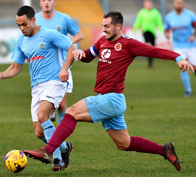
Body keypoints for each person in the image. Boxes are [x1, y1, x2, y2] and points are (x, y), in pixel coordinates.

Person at [24, 11, 195, 172]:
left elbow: (154, 51)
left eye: (106, 26)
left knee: (72, 112)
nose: (103, 29)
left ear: (118, 27)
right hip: (109, 100)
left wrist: (178, 58)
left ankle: (48, 151)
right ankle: (164, 150)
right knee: (124, 144)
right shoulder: (102, 42)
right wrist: (79, 54)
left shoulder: (129, 44)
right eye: (102, 26)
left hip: (113, 99)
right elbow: (88, 56)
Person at [0, 5, 76, 171]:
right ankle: (65, 148)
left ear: (33, 20)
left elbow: (72, 48)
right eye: (18, 25)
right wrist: (1, 75)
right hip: (37, 87)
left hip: (54, 83)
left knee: (42, 115)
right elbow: (15, 67)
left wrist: (65, 68)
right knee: (39, 132)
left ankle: (57, 159)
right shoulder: (22, 41)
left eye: (24, 24)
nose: (22, 28)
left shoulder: (49, 34)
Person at [35, 0, 84, 124]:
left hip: (62, 65)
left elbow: (80, 34)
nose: (46, 3)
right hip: (43, 68)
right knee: (46, 109)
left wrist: (69, 42)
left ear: (54, 2)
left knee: (62, 104)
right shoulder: (35, 19)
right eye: (43, 0)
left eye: (49, 0)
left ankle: (60, 137)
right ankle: (52, 134)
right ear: (40, 3)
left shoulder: (63, 19)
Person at [164, 0, 196, 97]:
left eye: (180, 3)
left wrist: (193, 35)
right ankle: (188, 91)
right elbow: (166, 29)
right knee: (183, 66)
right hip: (178, 46)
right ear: (174, 4)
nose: (178, 4)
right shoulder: (169, 17)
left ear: (183, 4)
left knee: (194, 67)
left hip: (191, 45)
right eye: (177, 3)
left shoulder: (190, 15)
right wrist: (166, 34)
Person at [133, 0, 164, 69]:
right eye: (147, 4)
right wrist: (135, 29)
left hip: (153, 32)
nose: (148, 5)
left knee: (152, 47)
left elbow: (159, 22)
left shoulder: (155, 12)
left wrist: (161, 30)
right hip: (145, 31)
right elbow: (138, 21)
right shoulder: (142, 12)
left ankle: (150, 63)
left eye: (149, 4)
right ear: (144, 5)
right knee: (149, 45)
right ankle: (150, 62)